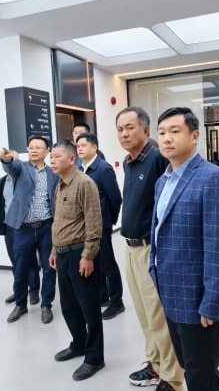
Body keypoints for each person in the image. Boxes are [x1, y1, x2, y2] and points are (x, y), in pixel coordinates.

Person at [150, 107, 219, 391]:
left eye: (175, 131)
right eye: (162, 133)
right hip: (170, 291)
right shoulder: (163, 180)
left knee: (203, 374)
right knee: (189, 365)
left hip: (198, 297)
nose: (167, 138)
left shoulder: (212, 178)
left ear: (195, 136)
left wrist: (213, 300)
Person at [116, 106, 184, 391]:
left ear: (145, 130)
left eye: (130, 127)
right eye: (120, 129)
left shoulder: (157, 159)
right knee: (144, 315)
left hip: (150, 249)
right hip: (130, 249)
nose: (124, 134)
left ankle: (172, 377)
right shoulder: (128, 162)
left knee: (158, 316)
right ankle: (155, 364)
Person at [48, 140, 105, 382]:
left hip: (80, 254)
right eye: (51, 157)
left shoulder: (84, 184)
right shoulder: (59, 185)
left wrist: (88, 255)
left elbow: (94, 222)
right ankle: (79, 344)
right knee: (69, 306)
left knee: (89, 308)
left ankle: (95, 357)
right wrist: (54, 250)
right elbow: (59, 221)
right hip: (62, 254)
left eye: (57, 156)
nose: (52, 160)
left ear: (72, 159)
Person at [0, 136, 58, 324]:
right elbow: (10, 167)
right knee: (20, 269)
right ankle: (20, 304)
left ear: (47, 151)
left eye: (38, 147)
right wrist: (7, 159)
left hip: (46, 228)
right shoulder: (21, 168)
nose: (33, 150)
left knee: (49, 268)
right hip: (23, 229)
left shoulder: (53, 173)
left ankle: (46, 305)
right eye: (31, 147)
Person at [76, 132, 124, 319]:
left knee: (107, 264)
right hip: (86, 225)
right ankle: (102, 296)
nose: (80, 149)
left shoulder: (103, 169)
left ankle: (116, 302)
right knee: (94, 262)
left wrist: (109, 220)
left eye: (83, 145)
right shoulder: (80, 168)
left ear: (94, 148)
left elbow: (115, 198)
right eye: (78, 146)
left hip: (101, 224)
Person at [0, 173, 40, 305]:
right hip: (9, 225)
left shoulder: (25, 179)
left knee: (30, 260)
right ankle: (19, 291)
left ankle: (33, 291)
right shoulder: (3, 180)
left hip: (25, 225)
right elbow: (3, 203)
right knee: (15, 261)